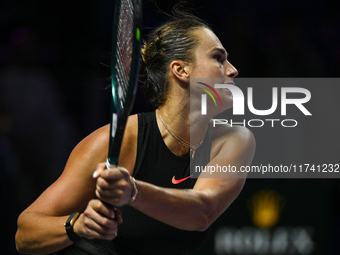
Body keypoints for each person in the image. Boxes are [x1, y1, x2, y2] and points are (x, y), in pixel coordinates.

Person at [15, 11, 255, 255]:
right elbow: (25, 234)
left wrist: (133, 191)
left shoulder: (234, 140)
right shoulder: (118, 141)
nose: (233, 70)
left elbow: (203, 211)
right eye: (218, 58)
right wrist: (77, 225)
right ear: (181, 70)